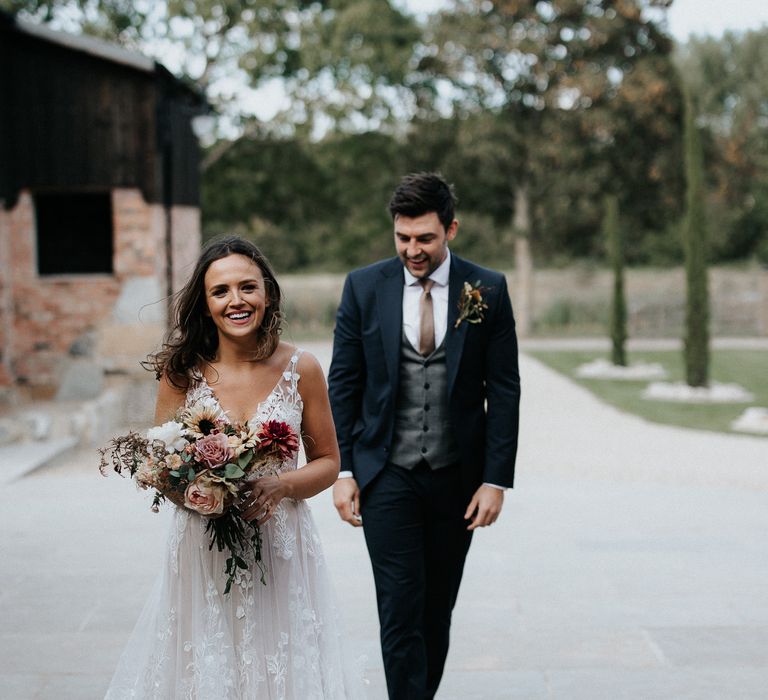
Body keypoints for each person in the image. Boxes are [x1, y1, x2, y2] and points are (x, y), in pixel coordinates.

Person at [105, 235, 363, 699]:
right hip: (201, 550)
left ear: (267, 293)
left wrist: (281, 485)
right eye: (220, 291)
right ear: (205, 305)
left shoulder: (301, 368)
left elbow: (328, 462)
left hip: (280, 549)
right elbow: (162, 464)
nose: (236, 301)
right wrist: (198, 491)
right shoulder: (182, 372)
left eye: (247, 287)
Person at [328, 172, 520, 699]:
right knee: (399, 606)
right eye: (403, 238)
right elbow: (342, 384)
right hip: (386, 474)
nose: (412, 250)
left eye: (425, 239)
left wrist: (495, 480)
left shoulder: (487, 289)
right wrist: (344, 470)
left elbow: (503, 390)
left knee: (436, 610)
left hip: (457, 478)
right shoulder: (364, 287)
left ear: (451, 229)